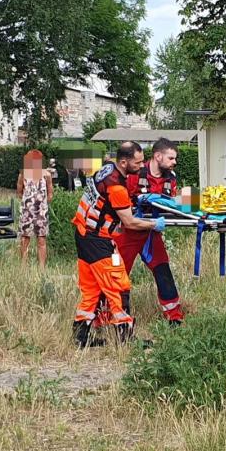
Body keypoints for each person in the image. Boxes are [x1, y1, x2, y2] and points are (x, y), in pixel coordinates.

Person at [71, 141, 166, 348]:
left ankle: (80, 338)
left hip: (83, 234)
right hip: (98, 241)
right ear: (124, 162)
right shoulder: (117, 187)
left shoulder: (106, 169)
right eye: (138, 163)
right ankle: (125, 339)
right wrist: (153, 224)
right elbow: (129, 222)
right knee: (119, 285)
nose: (141, 166)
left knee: (91, 290)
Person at [118, 138, 185, 324]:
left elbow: (171, 204)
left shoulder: (170, 179)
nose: (174, 162)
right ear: (158, 156)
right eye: (171, 158)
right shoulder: (134, 174)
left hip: (151, 233)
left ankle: (174, 317)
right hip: (128, 232)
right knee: (119, 275)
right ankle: (115, 318)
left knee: (163, 269)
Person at [17, 149, 54, 266]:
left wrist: (43, 205)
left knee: (41, 239)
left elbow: (50, 193)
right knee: (25, 238)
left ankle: (41, 268)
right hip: (26, 212)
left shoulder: (47, 175)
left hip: (41, 212)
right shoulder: (23, 174)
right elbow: (19, 191)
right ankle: (23, 266)